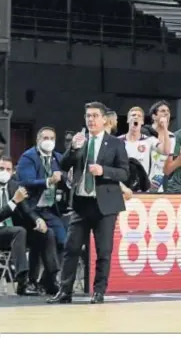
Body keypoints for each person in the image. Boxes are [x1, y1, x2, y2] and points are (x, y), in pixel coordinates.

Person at [47, 101, 129, 304]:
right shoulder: (80, 140)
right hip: (81, 203)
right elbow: (64, 164)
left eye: (94, 116)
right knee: (71, 248)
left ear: (103, 119)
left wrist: (104, 171)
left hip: (105, 204)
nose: (91, 120)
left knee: (103, 250)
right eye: (88, 116)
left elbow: (125, 173)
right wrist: (73, 149)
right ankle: (65, 291)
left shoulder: (116, 143)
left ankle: (99, 291)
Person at [0, 156, 59, 295]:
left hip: (13, 235)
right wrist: (14, 201)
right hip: (5, 232)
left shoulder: (14, 186)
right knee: (19, 231)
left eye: (8, 169)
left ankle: (51, 279)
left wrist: (38, 220)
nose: (4, 172)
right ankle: (22, 282)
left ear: (13, 172)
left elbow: (27, 209)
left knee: (46, 233)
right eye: (1, 168)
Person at [118, 106, 170, 187]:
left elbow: (166, 151)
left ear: (142, 122)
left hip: (142, 188)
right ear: (128, 120)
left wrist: (165, 128)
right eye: (133, 115)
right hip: (124, 187)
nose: (136, 117)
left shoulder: (149, 140)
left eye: (139, 116)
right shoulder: (118, 141)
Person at [146, 101, 175, 192]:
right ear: (154, 116)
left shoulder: (172, 137)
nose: (166, 113)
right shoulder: (145, 133)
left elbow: (168, 166)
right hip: (142, 184)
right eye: (162, 111)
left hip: (158, 185)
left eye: (168, 111)